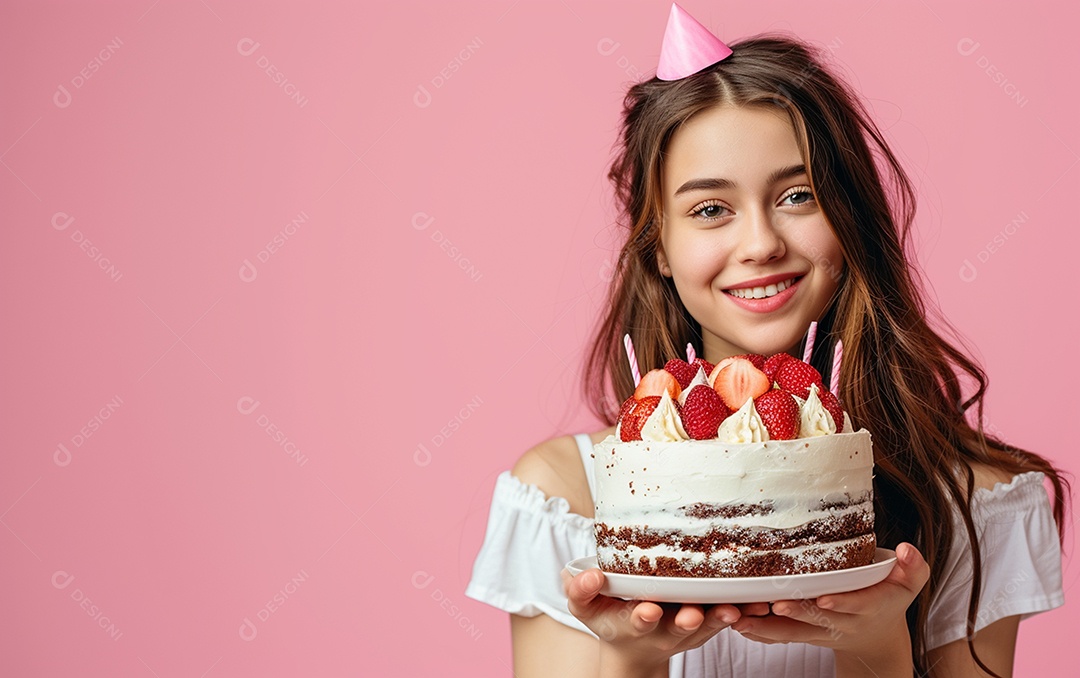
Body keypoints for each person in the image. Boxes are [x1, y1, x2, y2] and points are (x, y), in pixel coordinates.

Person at [465, 5, 1068, 676]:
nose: (760, 244)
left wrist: (875, 646)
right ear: (658, 244)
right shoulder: (565, 501)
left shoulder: (975, 506)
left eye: (798, 195)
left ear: (850, 217)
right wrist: (632, 660)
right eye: (710, 209)